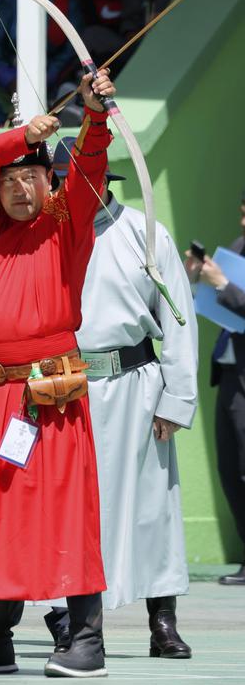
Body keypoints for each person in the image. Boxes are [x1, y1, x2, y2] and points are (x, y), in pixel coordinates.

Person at [0, 69, 117, 677]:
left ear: (49, 183)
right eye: (7, 181)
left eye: (29, 178)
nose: (17, 189)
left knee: (65, 512)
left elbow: (89, 170)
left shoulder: (67, 226)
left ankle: (86, 639)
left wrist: (94, 117)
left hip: (49, 394)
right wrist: (17, 139)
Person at [51, 141, 196, 658]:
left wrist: (175, 400)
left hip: (136, 388)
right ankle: (67, 623)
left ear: (106, 181)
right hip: (62, 390)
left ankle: (163, 621)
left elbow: (180, 319)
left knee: (151, 509)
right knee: (65, 510)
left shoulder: (145, 233)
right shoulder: (44, 237)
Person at [185, 192, 245, 587]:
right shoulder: (239, 248)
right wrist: (197, 277)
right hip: (228, 374)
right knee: (230, 467)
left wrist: (221, 283)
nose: (243, 221)